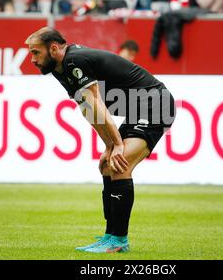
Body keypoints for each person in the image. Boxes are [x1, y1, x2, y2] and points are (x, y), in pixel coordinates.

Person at [25, 27, 176, 253]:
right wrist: (108, 146)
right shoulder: (58, 68)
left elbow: (96, 103)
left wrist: (116, 145)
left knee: (119, 163)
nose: (33, 59)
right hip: (138, 110)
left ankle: (119, 240)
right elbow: (88, 109)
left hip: (156, 106)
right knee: (107, 165)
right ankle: (110, 236)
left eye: (36, 53)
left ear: (53, 48)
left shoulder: (73, 61)